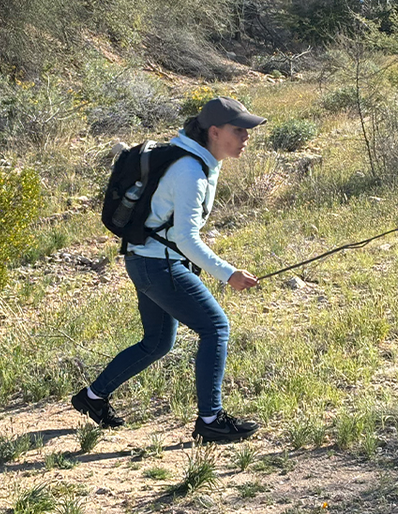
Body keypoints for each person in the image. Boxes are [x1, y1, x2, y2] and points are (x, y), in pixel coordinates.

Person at [71, 97, 266, 443]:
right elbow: (186, 238)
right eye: (239, 131)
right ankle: (210, 420)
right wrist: (228, 273)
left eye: (247, 131)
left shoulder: (201, 162)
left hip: (146, 261)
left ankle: (92, 398)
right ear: (215, 132)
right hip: (157, 266)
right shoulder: (190, 170)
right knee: (216, 327)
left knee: (157, 342)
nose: (246, 137)